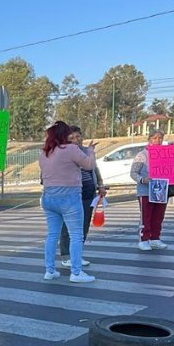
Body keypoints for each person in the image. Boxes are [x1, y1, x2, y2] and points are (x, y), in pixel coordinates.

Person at [38, 120, 96, 283]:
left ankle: (50, 270)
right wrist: (91, 151)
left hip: (49, 197)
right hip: (69, 197)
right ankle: (76, 272)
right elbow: (89, 165)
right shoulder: (70, 149)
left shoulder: (44, 152)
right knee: (76, 235)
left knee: (52, 235)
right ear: (65, 134)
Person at [58, 125, 106, 269]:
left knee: (83, 226)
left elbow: (94, 168)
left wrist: (101, 185)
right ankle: (66, 256)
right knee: (68, 226)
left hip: (88, 192)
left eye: (78, 136)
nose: (75, 140)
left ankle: (76, 255)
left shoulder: (87, 151)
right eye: (71, 138)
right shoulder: (63, 153)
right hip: (71, 194)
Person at [130, 128, 170, 251]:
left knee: (158, 215)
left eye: (160, 138)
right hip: (145, 190)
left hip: (160, 189)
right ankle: (143, 239)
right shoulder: (142, 155)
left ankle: (155, 238)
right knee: (146, 216)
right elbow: (133, 172)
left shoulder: (166, 154)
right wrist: (143, 179)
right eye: (155, 138)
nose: (157, 141)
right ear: (149, 139)